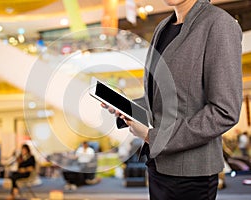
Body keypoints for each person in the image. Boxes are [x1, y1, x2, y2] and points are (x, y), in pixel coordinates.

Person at [102, 0, 242, 199]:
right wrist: (127, 107)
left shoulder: (218, 24)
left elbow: (224, 112)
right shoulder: (163, 27)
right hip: (159, 167)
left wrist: (154, 137)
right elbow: (163, 99)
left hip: (192, 175)